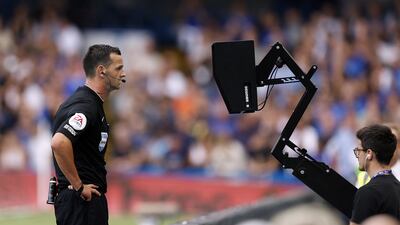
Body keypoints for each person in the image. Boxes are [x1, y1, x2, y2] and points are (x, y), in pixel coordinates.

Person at [50, 44, 126, 225]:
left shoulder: (89, 103)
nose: (123, 74)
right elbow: (59, 142)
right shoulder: (86, 106)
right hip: (81, 203)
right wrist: (78, 186)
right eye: (118, 68)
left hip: (81, 202)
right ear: (102, 71)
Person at [350, 124, 400, 225]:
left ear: (369, 153)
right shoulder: (398, 187)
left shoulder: (367, 192)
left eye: (358, 150)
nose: (357, 155)